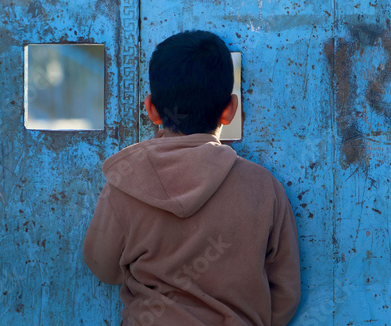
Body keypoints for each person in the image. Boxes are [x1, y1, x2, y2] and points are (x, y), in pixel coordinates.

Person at [83, 30, 301, 326]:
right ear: (230, 110)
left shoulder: (125, 182)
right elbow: (285, 293)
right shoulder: (263, 187)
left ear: (151, 110)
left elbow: (102, 267)